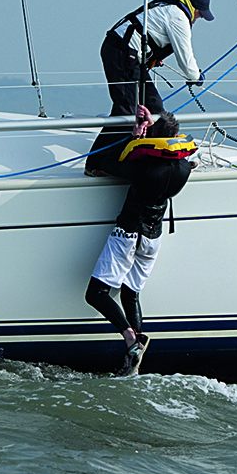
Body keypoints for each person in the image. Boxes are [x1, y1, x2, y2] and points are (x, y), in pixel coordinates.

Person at [85, 105, 196, 377]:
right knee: (130, 293)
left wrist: (134, 137)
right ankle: (136, 352)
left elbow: (101, 161)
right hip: (153, 238)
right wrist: (150, 129)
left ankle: (130, 338)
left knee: (96, 294)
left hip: (129, 235)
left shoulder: (144, 170)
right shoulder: (184, 168)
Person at [85, 0, 213, 176]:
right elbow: (186, 59)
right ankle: (96, 163)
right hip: (122, 52)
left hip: (127, 53)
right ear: (192, 7)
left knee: (155, 107)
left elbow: (151, 34)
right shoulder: (178, 16)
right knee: (126, 109)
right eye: (200, 13)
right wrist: (196, 77)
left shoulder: (167, 8)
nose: (200, 17)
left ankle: (156, 154)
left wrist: (150, 55)